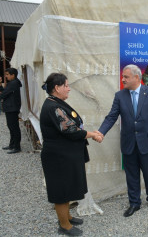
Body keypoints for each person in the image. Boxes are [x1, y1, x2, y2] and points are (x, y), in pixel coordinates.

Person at [97, 64, 148, 217]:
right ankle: (134, 203)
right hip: (128, 144)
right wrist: (101, 132)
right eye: (123, 76)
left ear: (136, 77)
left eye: (126, 77)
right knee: (131, 175)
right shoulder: (120, 96)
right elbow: (112, 116)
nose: (123, 79)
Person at [39, 73, 100, 236]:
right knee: (61, 191)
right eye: (66, 85)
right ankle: (64, 225)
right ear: (57, 88)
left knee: (67, 187)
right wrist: (92, 134)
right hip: (58, 157)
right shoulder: (52, 107)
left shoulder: (55, 103)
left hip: (64, 154)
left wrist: (89, 133)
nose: (69, 89)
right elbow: (70, 130)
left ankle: (67, 217)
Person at [0, 68, 22, 154]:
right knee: (11, 127)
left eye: (7, 74)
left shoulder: (14, 83)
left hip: (12, 108)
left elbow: (4, 94)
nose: (6, 76)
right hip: (10, 108)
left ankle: (17, 147)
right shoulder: (12, 83)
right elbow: (4, 92)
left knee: (14, 127)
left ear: (13, 75)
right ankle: (12, 144)